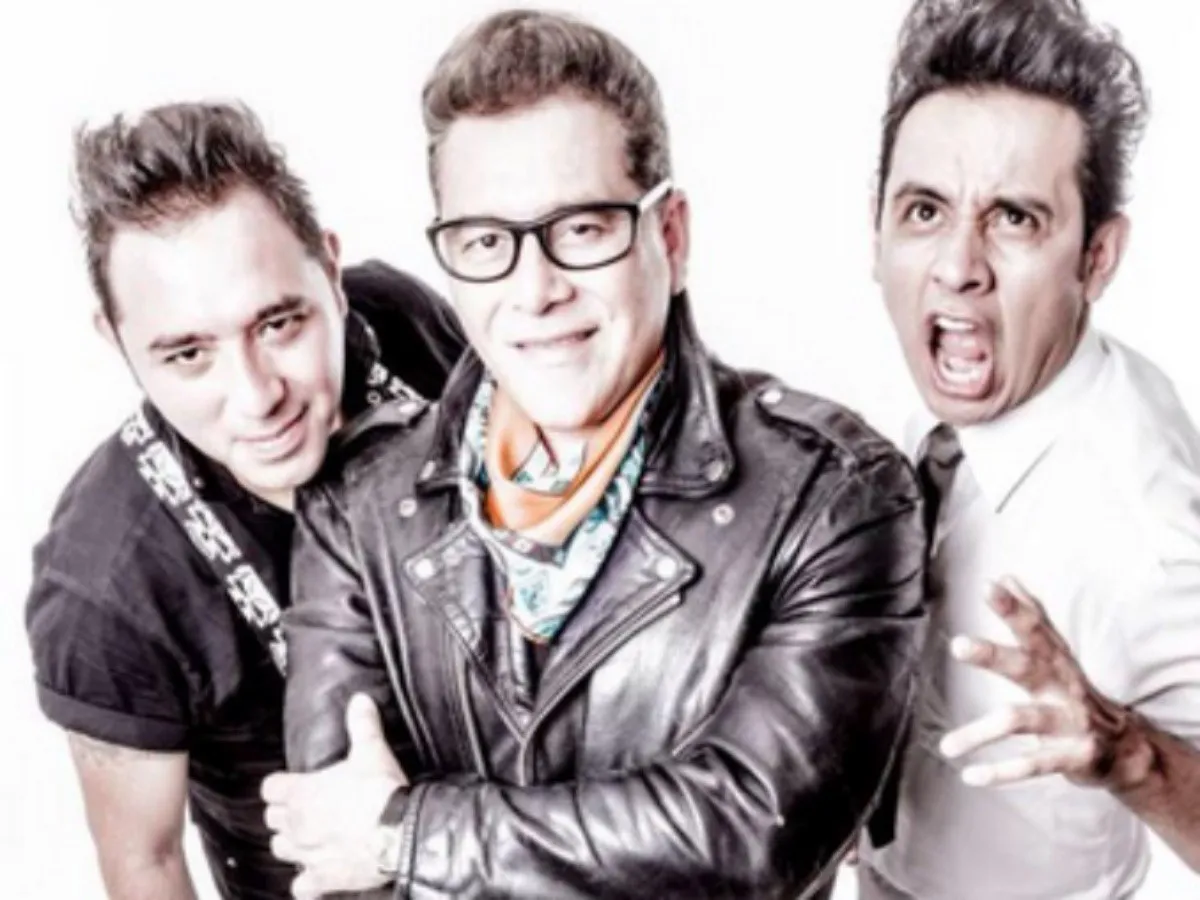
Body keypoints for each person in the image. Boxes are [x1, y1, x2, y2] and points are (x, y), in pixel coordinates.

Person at [260, 10, 929, 900]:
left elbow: (744, 840)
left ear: (671, 237)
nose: (535, 290)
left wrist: (408, 831)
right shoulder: (359, 504)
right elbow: (336, 840)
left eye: (581, 229)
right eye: (486, 242)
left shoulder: (832, 496)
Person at [24, 100, 465, 899]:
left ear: (332, 272)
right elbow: (146, 862)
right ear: (116, 340)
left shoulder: (401, 323)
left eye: (279, 323)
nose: (258, 396)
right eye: (189, 354)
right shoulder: (107, 583)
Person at [857, 1, 1200, 897]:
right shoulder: (977, 384)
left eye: (1014, 218)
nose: (958, 266)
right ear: (877, 233)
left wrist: (1130, 755)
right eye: (925, 210)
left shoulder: (1144, 533)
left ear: (1097, 258)